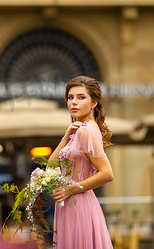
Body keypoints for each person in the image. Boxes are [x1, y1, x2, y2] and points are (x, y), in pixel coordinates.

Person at [49, 75, 114, 249]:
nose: (74, 102)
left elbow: (107, 173)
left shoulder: (86, 131)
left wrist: (70, 189)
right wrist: (65, 138)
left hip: (78, 204)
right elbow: (51, 166)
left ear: (94, 103)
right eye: (70, 98)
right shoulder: (77, 130)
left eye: (81, 97)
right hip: (69, 204)